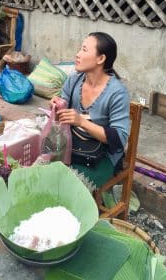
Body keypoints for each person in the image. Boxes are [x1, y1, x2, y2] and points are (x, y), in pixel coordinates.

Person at [51, 32, 130, 189]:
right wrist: (56, 105)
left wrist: (81, 121)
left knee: (68, 189)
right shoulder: (74, 80)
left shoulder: (117, 92)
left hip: (102, 156)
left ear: (101, 59)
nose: (78, 54)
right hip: (72, 145)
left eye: (84, 50)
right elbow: (62, 111)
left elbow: (118, 139)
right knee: (41, 171)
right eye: (80, 49)